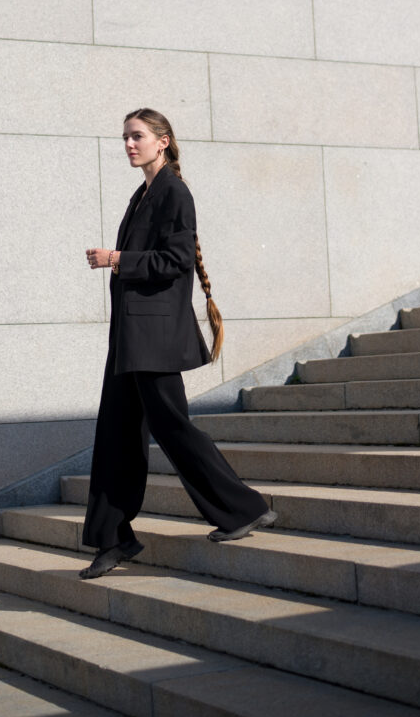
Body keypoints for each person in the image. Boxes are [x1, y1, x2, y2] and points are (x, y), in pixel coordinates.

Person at [80, 108, 276, 580]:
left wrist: (117, 258)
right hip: (132, 337)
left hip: (155, 338)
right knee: (116, 434)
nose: (129, 144)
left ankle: (243, 508)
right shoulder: (142, 194)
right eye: (125, 137)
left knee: (172, 427)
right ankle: (114, 538)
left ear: (162, 141)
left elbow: (176, 259)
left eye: (137, 136)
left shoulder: (173, 191)